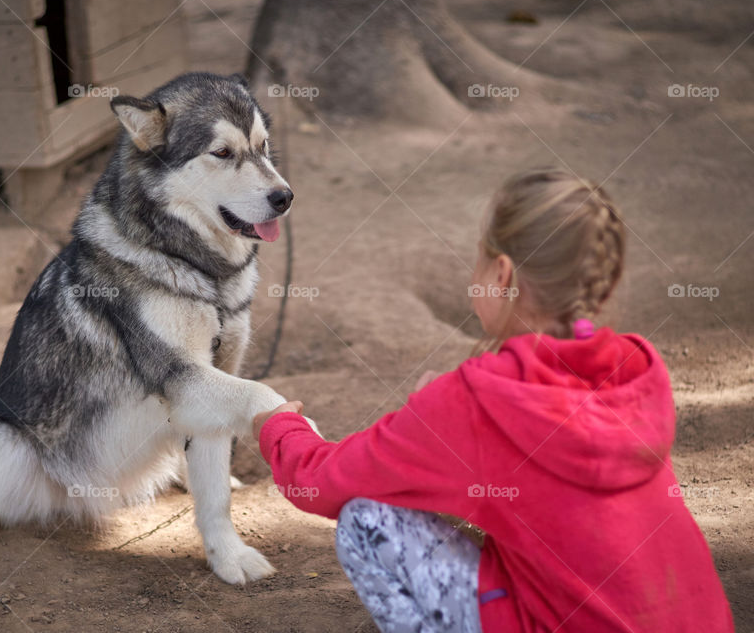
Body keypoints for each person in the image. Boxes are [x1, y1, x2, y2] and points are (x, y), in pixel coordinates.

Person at [252, 169, 734, 632]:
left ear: (501, 273)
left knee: (366, 521)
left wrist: (278, 426)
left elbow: (322, 482)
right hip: (701, 621)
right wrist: (439, 425)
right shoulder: (632, 370)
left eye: (479, 258)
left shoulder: (479, 398)